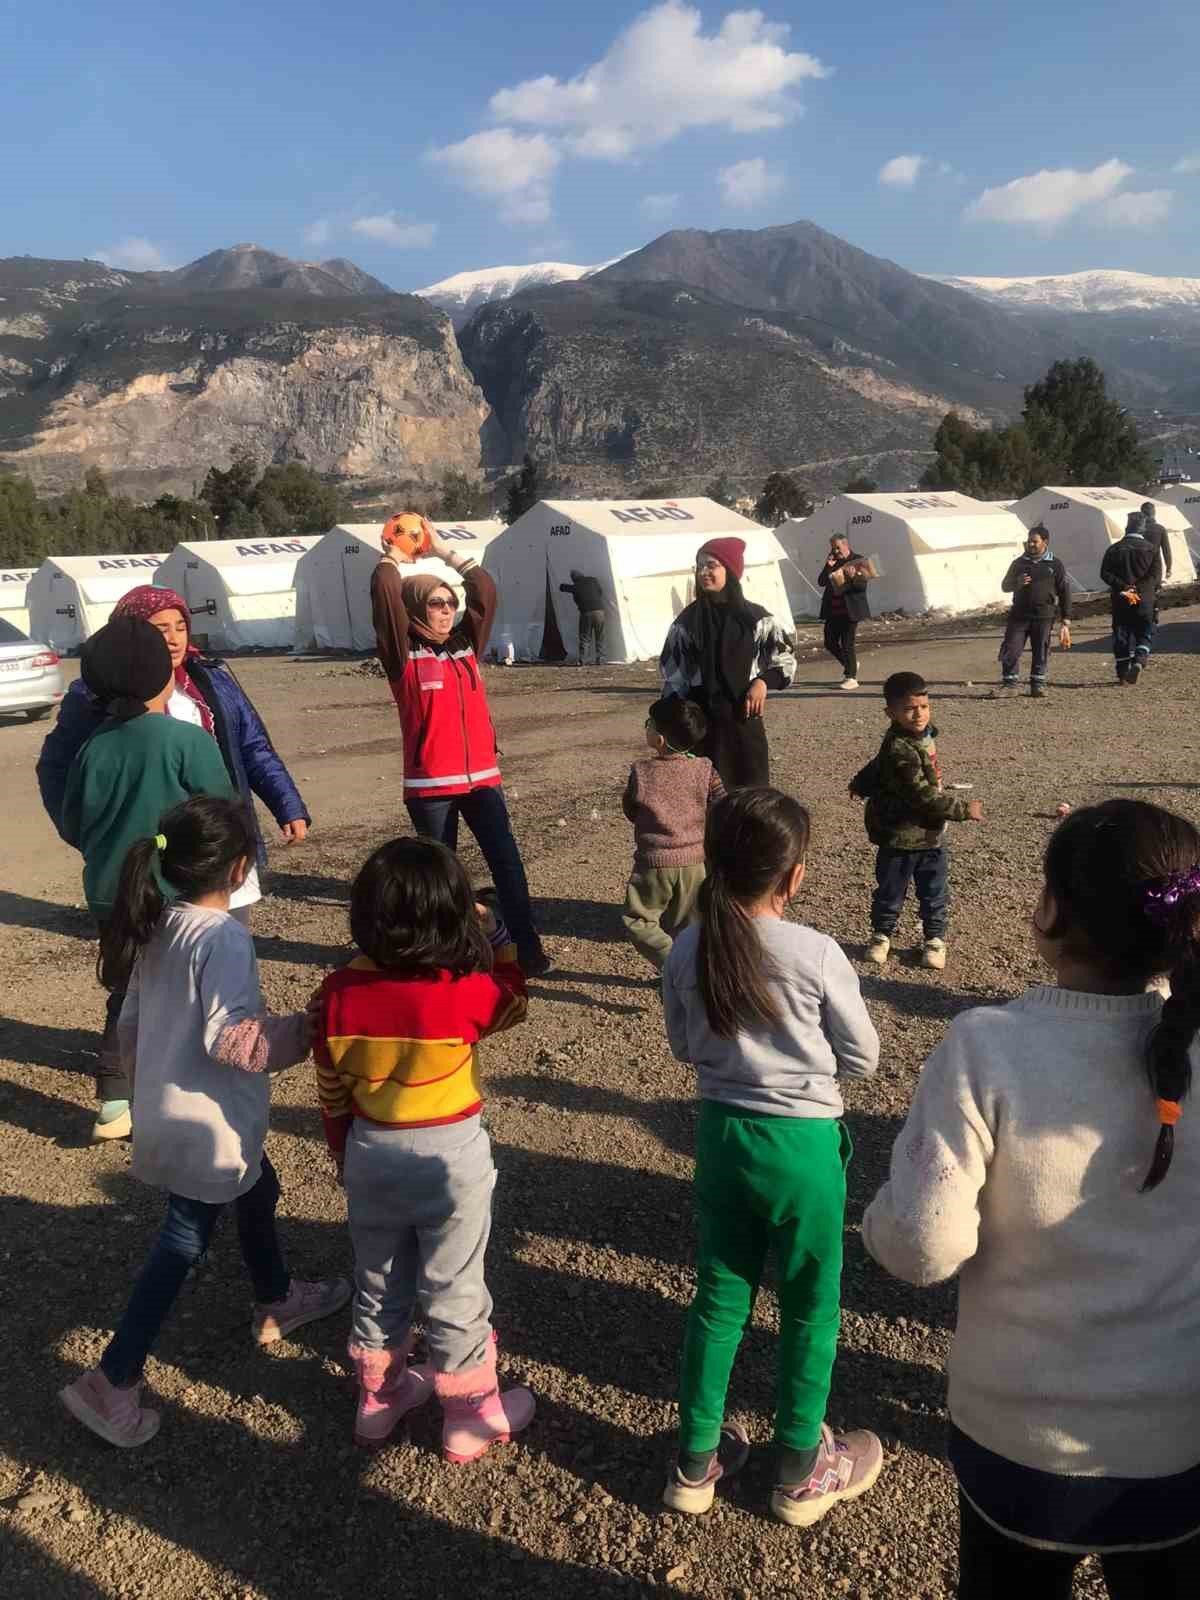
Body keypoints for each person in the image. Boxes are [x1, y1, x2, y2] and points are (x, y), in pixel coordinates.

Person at [863, 798, 1200, 1599]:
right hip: (1178, 1434)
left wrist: (877, 1214)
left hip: (1017, 1439)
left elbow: (920, 1246)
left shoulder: (988, 1047)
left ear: (1048, 910)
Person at [59, 795, 350, 1449]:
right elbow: (232, 1038)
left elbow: (129, 1023)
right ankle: (112, 1378)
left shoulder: (161, 924)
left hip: (169, 1109)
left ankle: (277, 1296)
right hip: (208, 1123)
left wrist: (144, 1089)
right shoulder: (221, 938)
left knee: (259, 1188)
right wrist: (300, 1034)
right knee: (181, 1242)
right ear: (240, 866)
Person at [661, 788, 882, 1525]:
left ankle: (695, 1462)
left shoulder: (687, 946)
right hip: (804, 1148)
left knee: (720, 1298)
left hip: (723, 1137)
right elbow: (864, 1057)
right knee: (811, 1305)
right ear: (794, 877)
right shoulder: (814, 952)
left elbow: (684, 1044)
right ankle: (798, 1470)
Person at [315, 836, 534, 1459]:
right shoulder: (462, 989)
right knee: (455, 1284)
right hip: (449, 1158)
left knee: (379, 1281)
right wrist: (500, 944)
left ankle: (379, 1401)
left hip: (369, 1151)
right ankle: (469, 1412)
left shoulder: (336, 993)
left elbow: (332, 1091)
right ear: (452, 916)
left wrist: (342, 1152)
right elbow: (514, 1000)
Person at [59, 619, 238, 1141]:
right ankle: (180, 1085)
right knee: (185, 990)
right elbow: (221, 810)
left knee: (126, 988)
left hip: (109, 892)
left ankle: (115, 1099)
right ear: (163, 677)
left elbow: (73, 822)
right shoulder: (184, 740)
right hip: (177, 892)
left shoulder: (92, 747)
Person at [37, 583, 311, 919]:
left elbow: (252, 747)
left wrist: (288, 805)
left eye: (181, 627)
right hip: (144, 857)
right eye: (161, 629)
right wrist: (88, 835)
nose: (174, 638)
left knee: (221, 937)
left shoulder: (211, 680)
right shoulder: (93, 695)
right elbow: (57, 768)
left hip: (212, 845)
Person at [371, 514, 550, 978]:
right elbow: (386, 594)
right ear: (415, 609)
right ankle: (445, 960)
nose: (447, 609)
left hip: (483, 780)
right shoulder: (401, 654)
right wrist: (395, 556)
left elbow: (485, 591)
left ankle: (526, 948)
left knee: (507, 864)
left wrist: (444, 552)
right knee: (441, 880)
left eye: (451, 602)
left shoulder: (466, 646)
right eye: (436, 603)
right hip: (431, 786)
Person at [849, 671, 984, 971]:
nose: (918, 714)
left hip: (930, 834)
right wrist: (963, 810)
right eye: (909, 708)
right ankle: (881, 936)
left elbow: (876, 764)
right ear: (891, 712)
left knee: (934, 892)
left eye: (923, 706)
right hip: (900, 835)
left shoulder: (921, 735)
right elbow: (921, 796)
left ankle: (934, 940)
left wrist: (860, 782)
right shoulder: (900, 749)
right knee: (890, 890)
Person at [660, 538, 796, 790]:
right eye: (699, 566)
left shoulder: (757, 619)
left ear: (730, 570)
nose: (703, 572)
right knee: (709, 803)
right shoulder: (686, 624)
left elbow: (785, 661)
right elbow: (673, 680)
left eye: (711, 565)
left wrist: (763, 682)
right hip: (702, 730)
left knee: (752, 800)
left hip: (745, 726)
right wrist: (670, 725)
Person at [621, 697, 724, 971]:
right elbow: (721, 803)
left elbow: (631, 808)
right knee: (689, 927)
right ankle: (690, 977)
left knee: (639, 921)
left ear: (660, 739)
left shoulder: (642, 772)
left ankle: (674, 964)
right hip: (694, 864)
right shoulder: (705, 768)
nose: (647, 729)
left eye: (649, 724)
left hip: (654, 864)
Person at [995, 525, 1071, 699]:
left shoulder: (1055, 564)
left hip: (1044, 616)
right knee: (1011, 648)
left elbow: (1065, 591)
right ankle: (1010, 684)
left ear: (1045, 542)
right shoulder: (1018, 563)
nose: (1030, 544)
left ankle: (1037, 684)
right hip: (1019, 616)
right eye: (1029, 541)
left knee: (1041, 650)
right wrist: (1017, 582)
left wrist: (1066, 618)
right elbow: (1005, 586)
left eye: (1034, 541)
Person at [1100, 512, 1158, 684]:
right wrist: (1138, 588)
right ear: (1143, 529)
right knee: (1144, 631)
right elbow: (1155, 576)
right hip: (1145, 599)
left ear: (1126, 528)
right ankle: (1139, 660)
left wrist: (1124, 587)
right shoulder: (1151, 549)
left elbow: (1104, 573)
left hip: (1121, 599)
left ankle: (1123, 672)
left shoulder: (1113, 549)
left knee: (1121, 635)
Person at [817, 535, 871, 691]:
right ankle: (851, 664)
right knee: (829, 642)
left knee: (847, 643)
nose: (835, 551)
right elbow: (821, 582)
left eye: (837, 547)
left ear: (846, 545)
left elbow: (861, 587)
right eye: (832, 548)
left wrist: (854, 577)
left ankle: (851, 677)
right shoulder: (834, 561)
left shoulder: (858, 560)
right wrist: (828, 566)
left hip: (850, 610)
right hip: (833, 611)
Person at [558, 570, 607, 665]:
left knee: (585, 637)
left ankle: (583, 660)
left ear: (573, 579)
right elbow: (600, 592)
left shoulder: (576, 586)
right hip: (599, 611)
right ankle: (601, 659)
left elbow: (562, 587)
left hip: (586, 613)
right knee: (600, 636)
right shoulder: (593, 580)